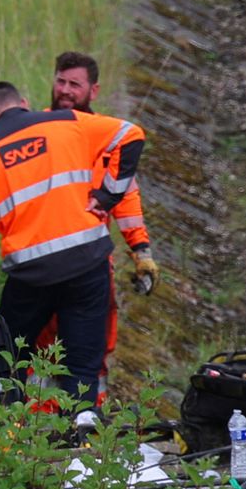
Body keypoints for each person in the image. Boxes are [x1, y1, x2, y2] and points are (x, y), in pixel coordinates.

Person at [0, 81, 146, 401]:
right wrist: (108, 195)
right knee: (83, 366)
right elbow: (130, 134)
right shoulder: (66, 121)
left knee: (9, 358)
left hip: (32, 273)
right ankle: (83, 429)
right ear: (25, 103)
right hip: (88, 261)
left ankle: (4, 431)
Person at [39, 51, 158, 399]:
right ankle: (36, 427)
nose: (64, 90)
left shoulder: (109, 138)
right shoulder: (36, 130)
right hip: (42, 256)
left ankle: (88, 419)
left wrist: (141, 251)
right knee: (40, 345)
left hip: (91, 259)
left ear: (94, 90)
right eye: (60, 81)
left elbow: (127, 198)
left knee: (94, 344)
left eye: (74, 84)